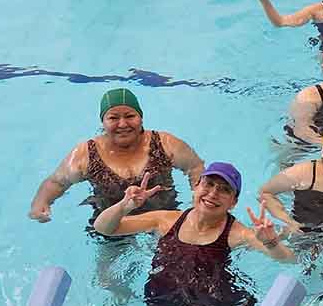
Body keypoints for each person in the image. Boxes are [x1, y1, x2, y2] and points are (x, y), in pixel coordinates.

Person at [93, 163, 294, 306]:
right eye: (208, 185)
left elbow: (287, 259)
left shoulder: (237, 233)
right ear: (195, 187)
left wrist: (271, 242)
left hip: (216, 294)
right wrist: (124, 206)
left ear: (233, 202)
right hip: (164, 290)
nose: (213, 194)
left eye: (224, 190)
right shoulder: (165, 220)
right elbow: (104, 228)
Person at [29, 88, 204, 224]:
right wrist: (41, 204)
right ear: (103, 122)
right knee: (105, 270)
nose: (123, 124)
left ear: (140, 117)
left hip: (163, 214)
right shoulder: (86, 154)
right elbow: (57, 182)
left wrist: (198, 198)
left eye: (130, 116)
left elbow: (195, 167)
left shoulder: (165, 143)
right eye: (113, 118)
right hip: (111, 223)